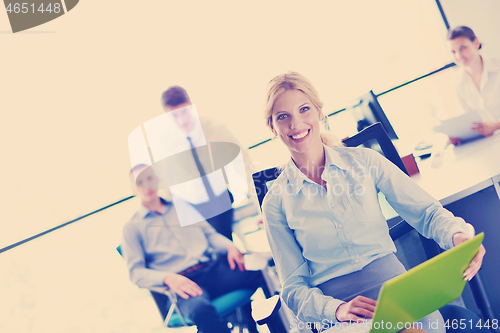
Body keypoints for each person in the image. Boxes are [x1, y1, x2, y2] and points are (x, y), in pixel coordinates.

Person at [261, 72, 486, 332]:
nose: (295, 123)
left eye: (303, 109)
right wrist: (335, 310)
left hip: (398, 294)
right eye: (282, 116)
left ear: (320, 113)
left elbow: (427, 213)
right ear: (272, 127)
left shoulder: (364, 161)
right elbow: (293, 288)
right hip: (340, 314)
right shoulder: (275, 203)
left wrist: (459, 237)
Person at [122, 164, 263, 333]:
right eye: (139, 182)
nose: (146, 185)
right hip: (183, 284)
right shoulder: (132, 228)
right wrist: (168, 278)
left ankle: (276, 326)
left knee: (263, 272)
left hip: (212, 271)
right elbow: (135, 273)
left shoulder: (181, 206)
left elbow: (210, 235)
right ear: (132, 189)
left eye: (150, 178)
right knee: (201, 310)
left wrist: (229, 246)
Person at [159, 86, 258, 240]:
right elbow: (166, 183)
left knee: (226, 245)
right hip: (192, 208)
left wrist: (260, 202)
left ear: (191, 105)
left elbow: (243, 162)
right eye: (174, 115)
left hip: (221, 200)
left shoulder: (213, 128)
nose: (182, 120)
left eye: (184, 111)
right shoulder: (166, 142)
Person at [447, 26, 500, 144]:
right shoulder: (457, 81)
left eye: (462, 48)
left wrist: (496, 125)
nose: (459, 56)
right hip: (487, 144)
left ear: (476, 43)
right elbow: (469, 120)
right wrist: (459, 135)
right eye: (453, 51)